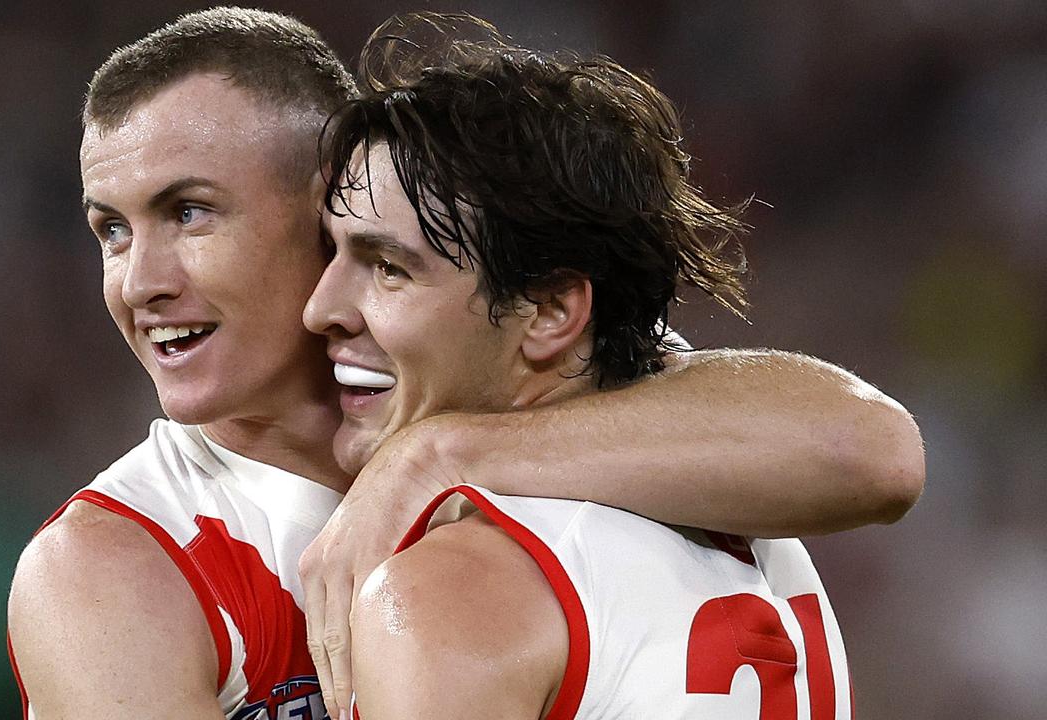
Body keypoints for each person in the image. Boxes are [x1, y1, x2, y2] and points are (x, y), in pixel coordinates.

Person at [6, 8, 922, 720]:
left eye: (191, 213)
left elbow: (873, 450)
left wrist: (438, 455)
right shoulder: (112, 567)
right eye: (111, 230)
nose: (140, 282)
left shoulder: (539, 402)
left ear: (330, 204)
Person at [304, 15, 858, 719]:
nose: (321, 309)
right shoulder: (747, 513)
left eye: (387, 269)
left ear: (550, 310)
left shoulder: (446, 596)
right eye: (333, 254)